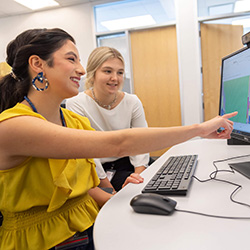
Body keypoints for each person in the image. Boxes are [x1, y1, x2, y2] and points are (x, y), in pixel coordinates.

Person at [0, 28, 236, 250]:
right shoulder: (14, 126)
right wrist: (198, 129)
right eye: (72, 59)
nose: (82, 70)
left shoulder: (73, 120)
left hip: (89, 224)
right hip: (46, 241)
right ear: (37, 64)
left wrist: (121, 197)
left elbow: (84, 189)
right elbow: (118, 143)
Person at [66, 46, 152, 192]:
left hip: (131, 162)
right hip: (100, 169)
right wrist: (110, 191)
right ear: (93, 73)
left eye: (120, 72)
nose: (115, 78)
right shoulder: (76, 103)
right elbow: (88, 153)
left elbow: (141, 142)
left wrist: (138, 178)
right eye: (107, 71)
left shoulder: (132, 102)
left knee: (158, 183)